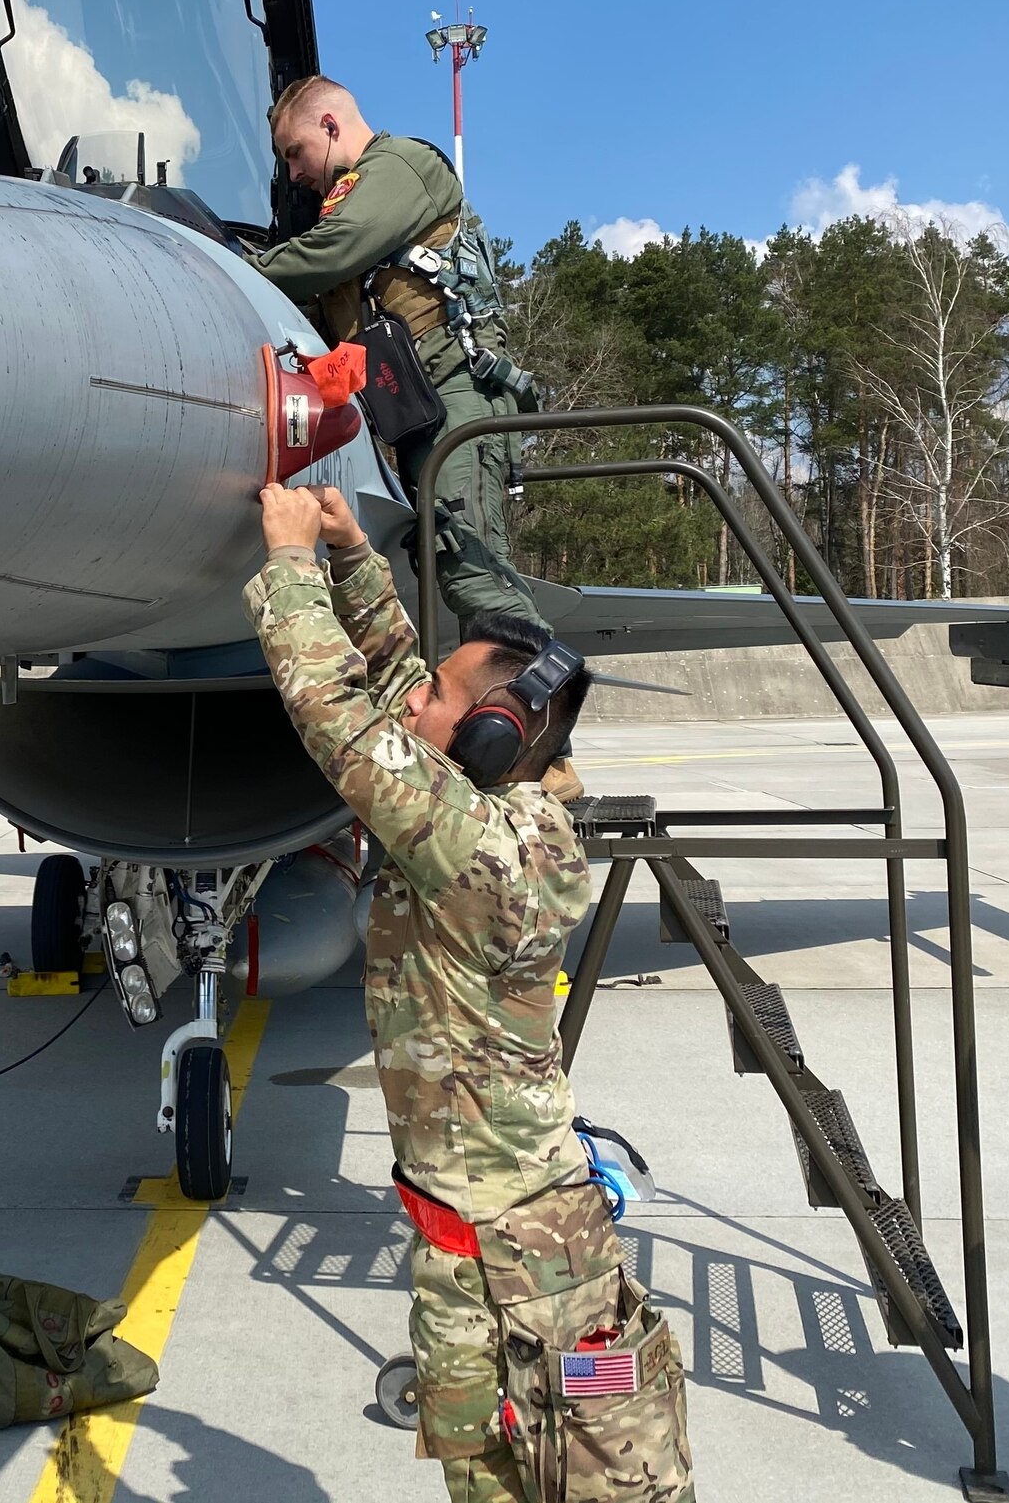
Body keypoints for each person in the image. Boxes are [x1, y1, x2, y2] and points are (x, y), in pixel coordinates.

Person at [246, 482, 693, 1503]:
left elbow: (335, 715)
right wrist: (356, 552)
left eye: (437, 702)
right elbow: (407, 679)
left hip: (509, 1274)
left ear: (491, 736)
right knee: (524, 1460)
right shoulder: (513, 805)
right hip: (519, 1247)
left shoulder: (475, 843)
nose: (412, 700)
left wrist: (287, 564)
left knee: (566, 1475)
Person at [252, 75, 541, 638]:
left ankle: (523, 712)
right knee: (456, 568)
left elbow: (331, 252)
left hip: (458, 395)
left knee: (478, 577)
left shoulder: (401, 166)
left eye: (296, 153)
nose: (294, 173)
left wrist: (241, 270)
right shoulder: (354, 199)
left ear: (330, 126)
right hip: (418, 411)